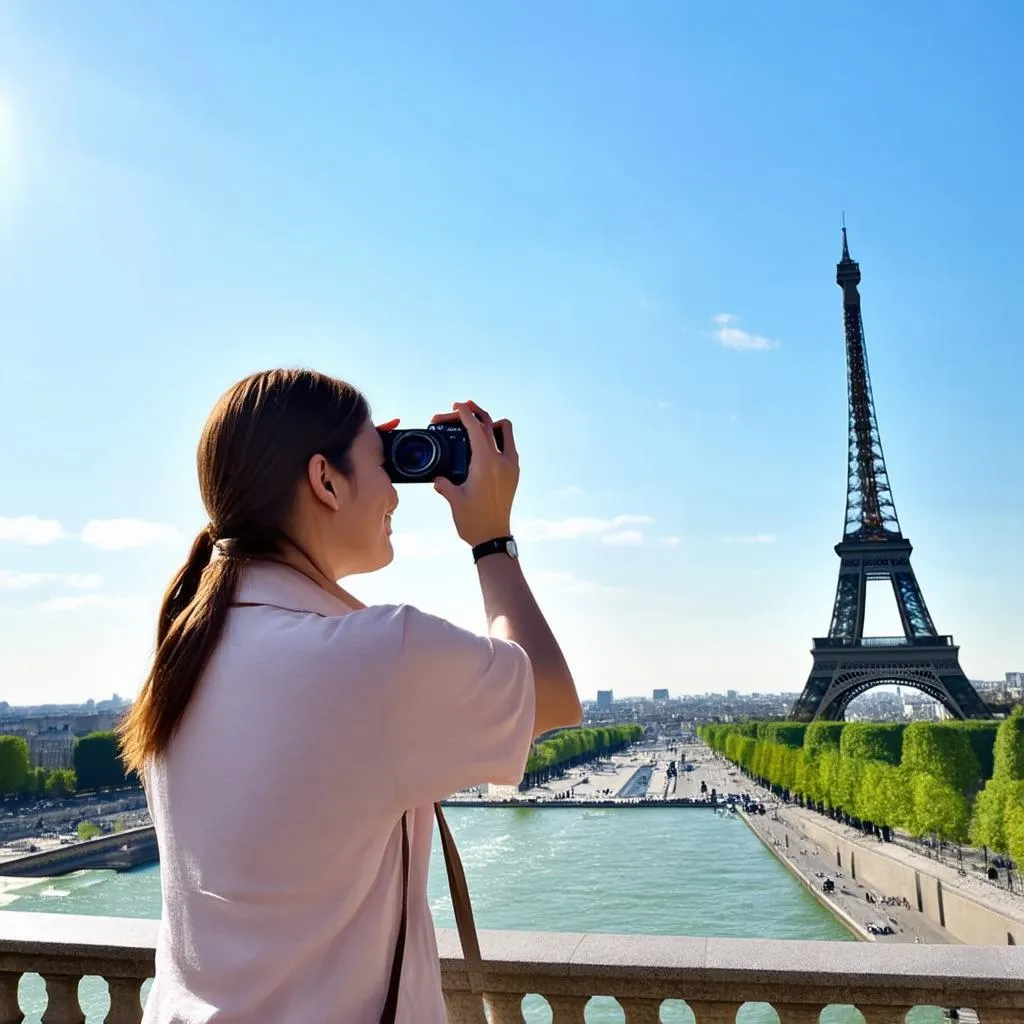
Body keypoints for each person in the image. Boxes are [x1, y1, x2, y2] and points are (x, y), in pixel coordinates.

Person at [118, 369, 581, 1023]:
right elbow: (553, 695)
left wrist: (361, 450)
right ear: (325, 481)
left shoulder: (184, 648)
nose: (396, 489)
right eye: (381, 462)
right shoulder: (375, 656)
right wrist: (491, 537)